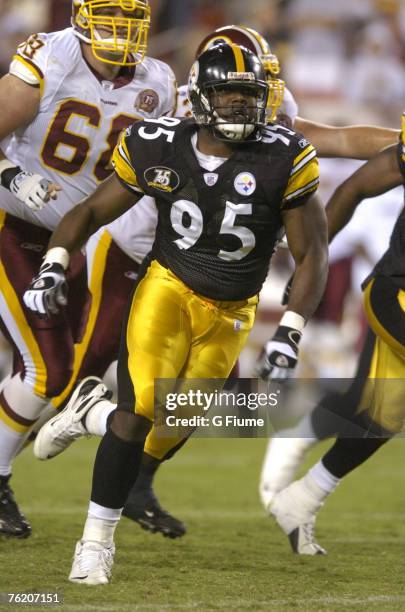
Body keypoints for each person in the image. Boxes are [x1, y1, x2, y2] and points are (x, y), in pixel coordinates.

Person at [31, 23, 400, 539]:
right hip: (138, 250)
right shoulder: (179, 110)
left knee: (197, 402)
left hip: (220, 277)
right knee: (83, 374)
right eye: (234, 88)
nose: (249, 99)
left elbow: (336, 138)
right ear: (207, 87)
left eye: (258, 83)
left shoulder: (264, 110)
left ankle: (135, 476)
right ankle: (40, 456)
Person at [0, 0, 177, 538]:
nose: (120, 32)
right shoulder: (48, 58)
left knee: (46, 369)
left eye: (130, 19)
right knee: (47, 369)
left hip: (71, 240)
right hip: (12, 224)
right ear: (81, 17)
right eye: (109, 18)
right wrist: (10, 175)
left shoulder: (159, 81)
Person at [268, 115, 405, 555]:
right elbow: (355, 188)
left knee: (381, 417)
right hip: (398, 291)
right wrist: (314, 263)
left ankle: (302, 499)